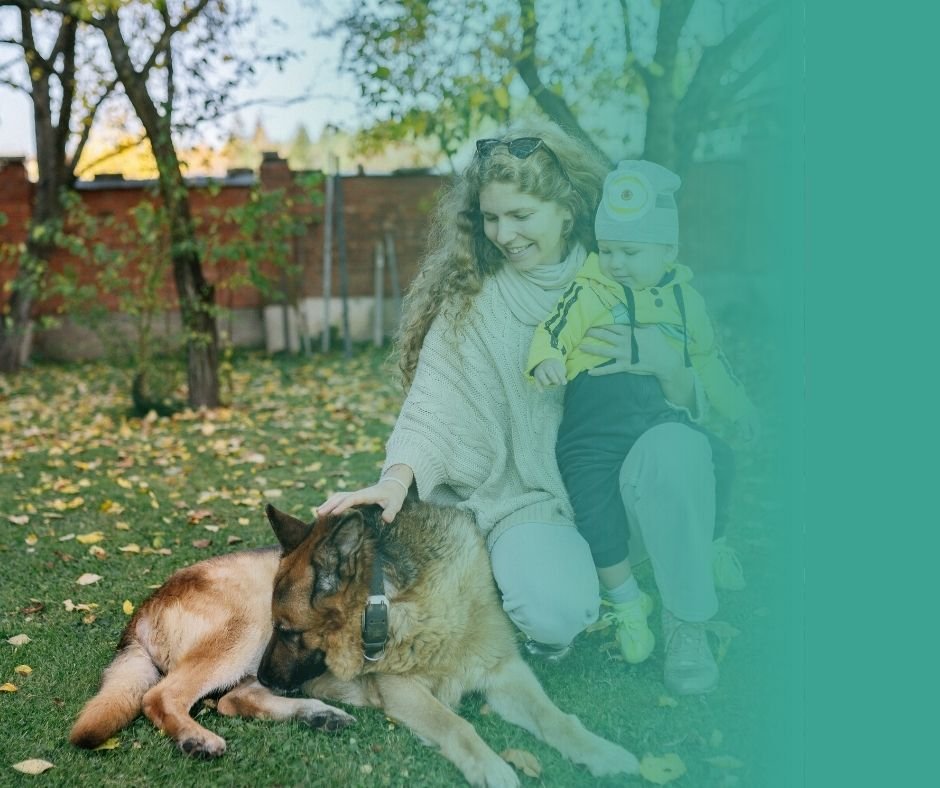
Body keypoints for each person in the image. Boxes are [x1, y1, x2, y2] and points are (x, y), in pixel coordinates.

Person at [318, 120, 721, 695]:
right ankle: (557, 588)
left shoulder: (631, 273)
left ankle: (689, 621)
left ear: (567, 209)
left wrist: (666, 361)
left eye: (520, 215)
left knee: (679, 448)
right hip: (530, 500)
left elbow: (702, 400)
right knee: (556, 614)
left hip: (620, 486)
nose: (503, 233)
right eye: (491, 217)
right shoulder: (473, 303)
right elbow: (434, 405)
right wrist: (395, 481)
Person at [527, 160, 757, 671]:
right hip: (596, 422)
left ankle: (714, 543)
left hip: (655, 416)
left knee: (717, 458)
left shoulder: (685, 301)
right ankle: (627, 601)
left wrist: (737, 406)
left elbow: (708, 361)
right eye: (608, 251)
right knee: (592, 497)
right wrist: (546, 358)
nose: (618, 263)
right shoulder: (590, 289)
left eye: (631, 252)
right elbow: (556, 328)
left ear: (669, 251)